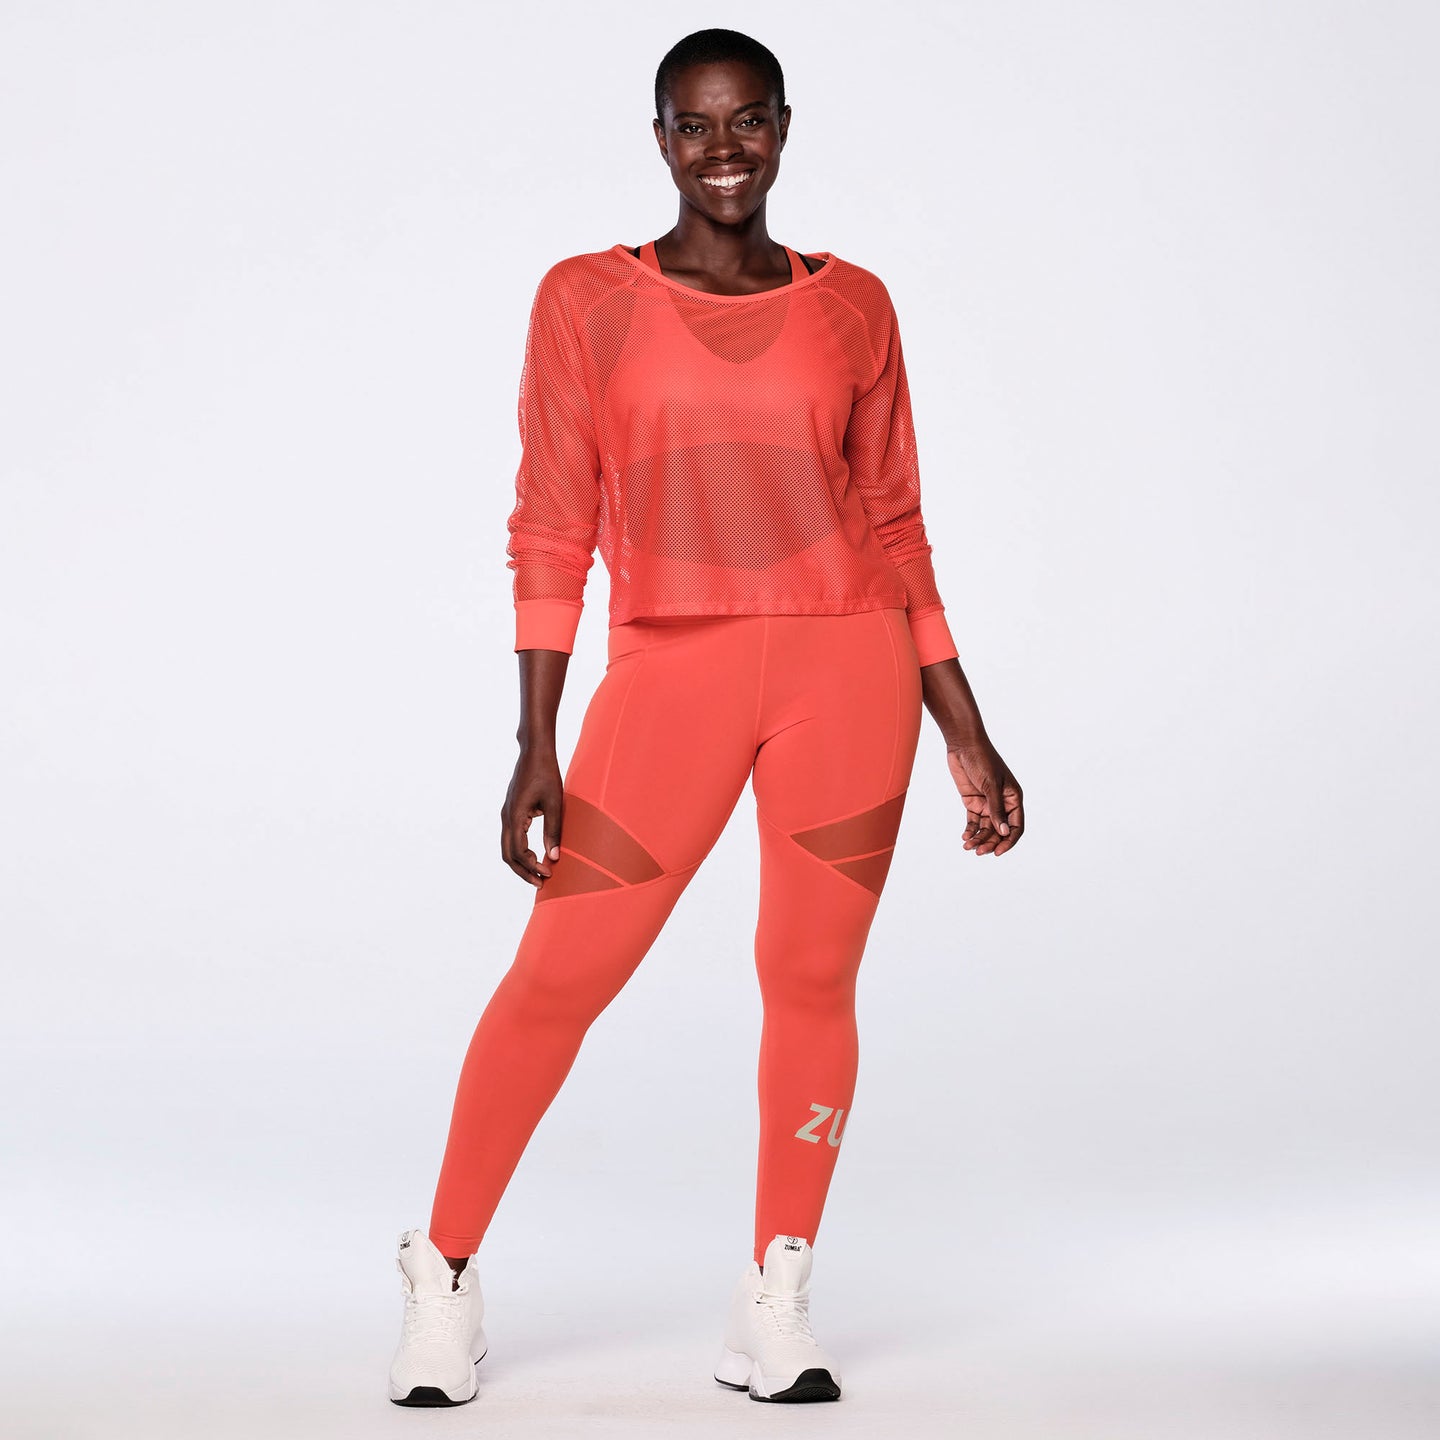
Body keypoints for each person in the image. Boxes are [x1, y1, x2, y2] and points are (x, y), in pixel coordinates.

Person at [387, 26, 1024, 1408]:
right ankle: (443, 1270)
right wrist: (536, 739)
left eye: (747, 122)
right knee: (561, 976)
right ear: (661, 139)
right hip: (669, 677)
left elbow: (898, 524)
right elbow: (549, 522)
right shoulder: (587, 300)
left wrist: (964, 726)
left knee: (811, 978)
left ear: (784, 127)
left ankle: (775, 1293)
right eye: (694, 125)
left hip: (850, 674)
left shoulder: (857, 307)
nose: (723, 150)